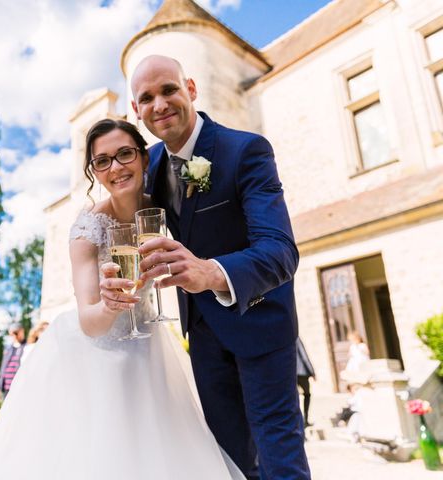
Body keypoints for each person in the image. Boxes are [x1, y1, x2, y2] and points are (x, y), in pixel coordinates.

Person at [0, 119, 244, 479]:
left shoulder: (165, 211)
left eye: (125, 154)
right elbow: (89, 320)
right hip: (94, 356)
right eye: (102, 161)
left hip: (150, 347)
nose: (115, 167)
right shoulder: (87, 230)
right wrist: (108, 305)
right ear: (94, 171)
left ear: (144, 159)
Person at [130, 55, 310, 479]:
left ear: (190, 89)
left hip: (262, 325)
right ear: (136, 111)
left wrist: (210, 273)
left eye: (169, 90)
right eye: (146, 98)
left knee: (279, 457)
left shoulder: (245, 150)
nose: (160, 104)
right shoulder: (149, 166)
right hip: (204, 337)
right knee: (226, 460)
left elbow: (281, 251)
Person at [0, 323, 25, 397]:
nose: (14, 336)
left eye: (16, 333)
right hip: (7, 386)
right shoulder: (8, 348)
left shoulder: (27, 347)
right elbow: (3, 366)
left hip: (20, 385)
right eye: (12, 334)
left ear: (22, 331)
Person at [296, 337, 315, 428]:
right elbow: (304, 356)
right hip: (302, 372)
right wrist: (312, 371)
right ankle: (305, 420)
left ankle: (300, 421)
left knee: (295, 397)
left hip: (290, 373)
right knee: (307, 394)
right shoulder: (296, 338)